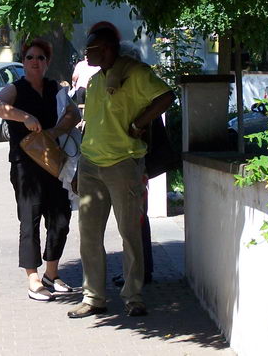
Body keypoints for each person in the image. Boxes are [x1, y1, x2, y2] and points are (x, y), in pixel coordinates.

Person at [67, 23, 175, 319]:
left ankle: (133, 296)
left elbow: (166, 96)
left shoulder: (135, 73)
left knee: (129, 233)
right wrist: (78, 170)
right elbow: (92, 125)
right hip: (91, 164)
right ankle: (94, 298)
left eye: (90, 49)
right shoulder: (96, 81)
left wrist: (141, 123)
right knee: (89, 235)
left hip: (123, 164)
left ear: (107, 48)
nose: (86, 54)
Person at [0, 38, 82, 302]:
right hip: (25, 166)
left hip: (55, 163)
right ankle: (33, 279)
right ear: (23, 61)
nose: (35, 62)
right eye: (30, 57)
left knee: (61, 217)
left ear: (47, 62)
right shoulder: (15, 89)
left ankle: (52, 273)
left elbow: (74, 114)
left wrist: (56, 131)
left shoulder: (55, 88)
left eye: (40, 58)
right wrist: (24, 117)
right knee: (30, 219)